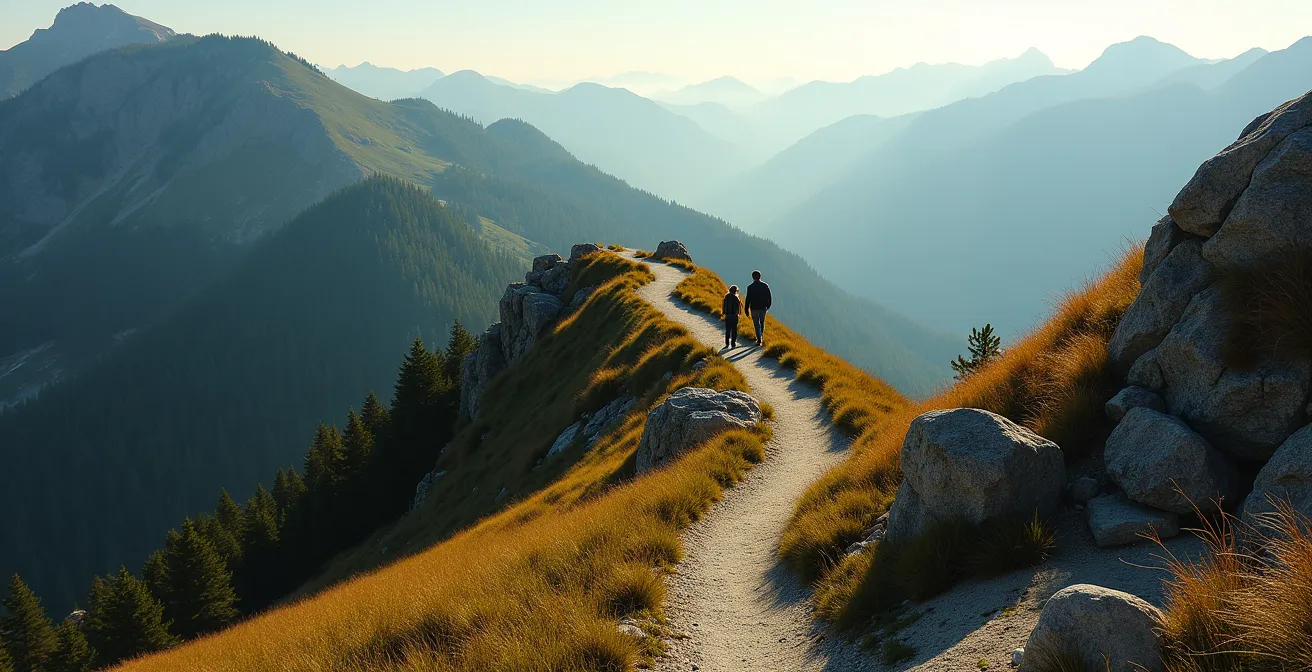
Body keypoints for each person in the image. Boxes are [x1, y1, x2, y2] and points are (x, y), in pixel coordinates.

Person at [744, 270, 772, 346]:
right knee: (762, 322)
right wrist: (768, 306)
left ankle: (759, 339)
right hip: (763, 308)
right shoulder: (765, 285)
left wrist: (746, 309)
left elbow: (748, 299)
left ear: (752, 277)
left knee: (756, 324)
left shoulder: (750, 287)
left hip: (754, 308)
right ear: (760, 276)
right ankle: (761, 336)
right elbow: (769, 297)